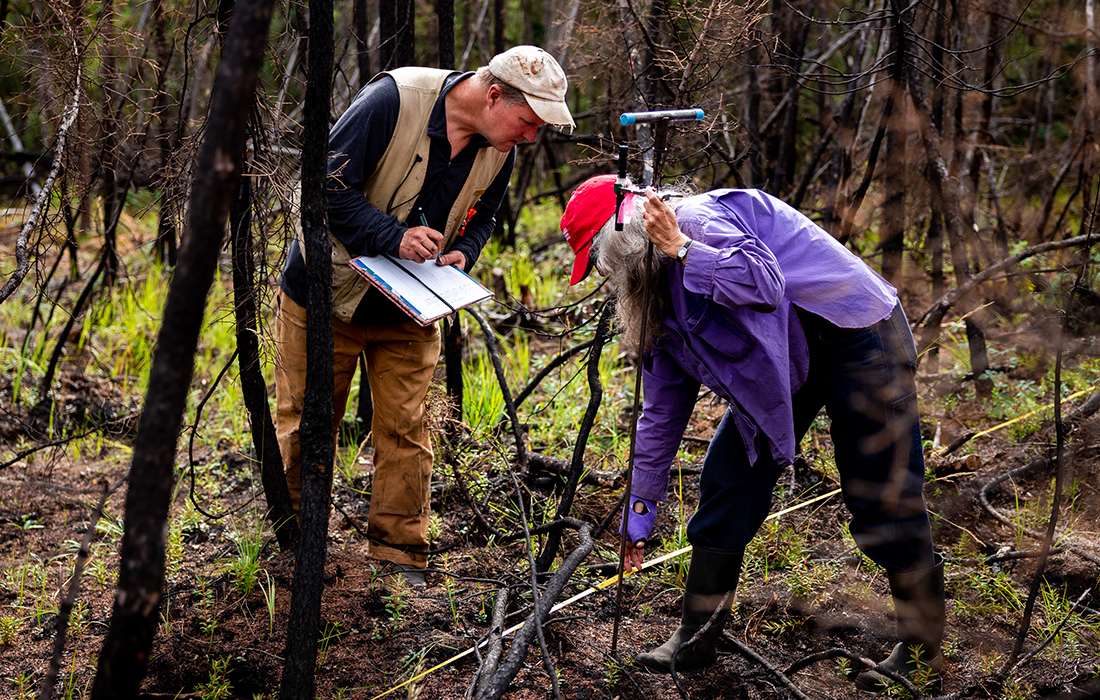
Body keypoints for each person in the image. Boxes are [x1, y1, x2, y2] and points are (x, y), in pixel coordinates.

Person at [560, 175, 944, 690]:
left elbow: (766, 282)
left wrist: (681, 249)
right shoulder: (651, 293)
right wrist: (639, 513)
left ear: (624, 234)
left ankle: (922, 647)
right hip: (789, 353)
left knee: (879, 492)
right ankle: (696, 638)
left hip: (856, 331)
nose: (608, 275)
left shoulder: (694, 223)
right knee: (727, 478)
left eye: (602, 260)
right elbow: (661, 411)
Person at [274, 46, 574, 586]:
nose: (530, 137)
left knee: (407, 429)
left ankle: (397, 557)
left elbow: (485, 214)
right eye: (528, 121)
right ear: (493, 95)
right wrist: (394, 236)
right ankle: (293, 543)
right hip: (326, 294)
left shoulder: (500, 145)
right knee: (307, 423)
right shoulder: (393, 100)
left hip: (410, 309)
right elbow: (321, 188)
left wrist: (468, 250)